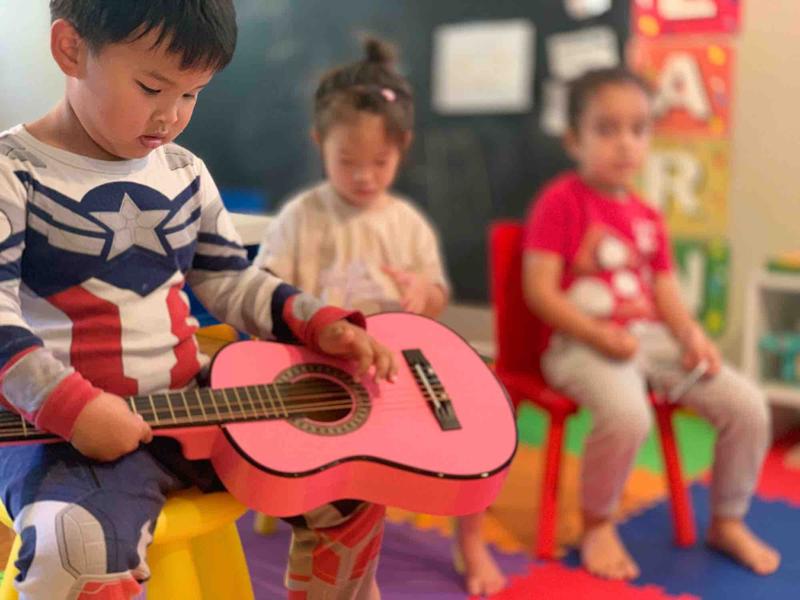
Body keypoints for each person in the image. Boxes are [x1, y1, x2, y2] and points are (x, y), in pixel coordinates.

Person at [0, 2, 396, 598]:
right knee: (73, 549)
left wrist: (318, 323)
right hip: (61, 433)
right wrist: (71, 408)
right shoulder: (13, 172)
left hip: (194, 408)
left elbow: (230, 280)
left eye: (192, 94)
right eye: (152, 87)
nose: (171, 116)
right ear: (71, 50)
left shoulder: (183, 171)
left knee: (352, 483)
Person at [255, 37, 506, 596]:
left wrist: (424, 293)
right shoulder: (303, 217)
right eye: (347, 162)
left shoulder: (405, 222)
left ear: (404, 149)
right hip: (326, 373)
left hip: (396, 372)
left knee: (477, 431)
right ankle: (349, 567)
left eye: (380, 163)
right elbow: (265, 291)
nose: (364, 177)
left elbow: (436, 294)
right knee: (348, 493)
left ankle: (469, 542)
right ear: (320, 144)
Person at [522, 67, 780, 580]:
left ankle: (727, 519)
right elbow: (540, 292)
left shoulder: (647, 214)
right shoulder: (561, 201)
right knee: (628, 415)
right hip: (580, 343)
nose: (625, 144)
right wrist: (599, 334)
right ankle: (597, 522)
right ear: (574, 138)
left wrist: (692, 336)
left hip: (650, 342)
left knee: (748, 406)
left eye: (638, 129)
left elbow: (665, 291)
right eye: (606, 129)